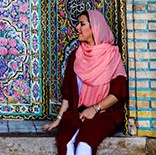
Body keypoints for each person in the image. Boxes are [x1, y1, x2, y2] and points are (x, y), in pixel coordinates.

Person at [43, 9, 127, 155]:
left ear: (95, 27)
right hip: (77, 113)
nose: (77, 28)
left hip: (104, 114)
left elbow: (117, 93)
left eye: (82, 24)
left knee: (84, 145)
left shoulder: (112, 55)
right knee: (66, 143)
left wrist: (95, 109)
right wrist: (59, 118)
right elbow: (68, 95)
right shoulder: (76, 55)